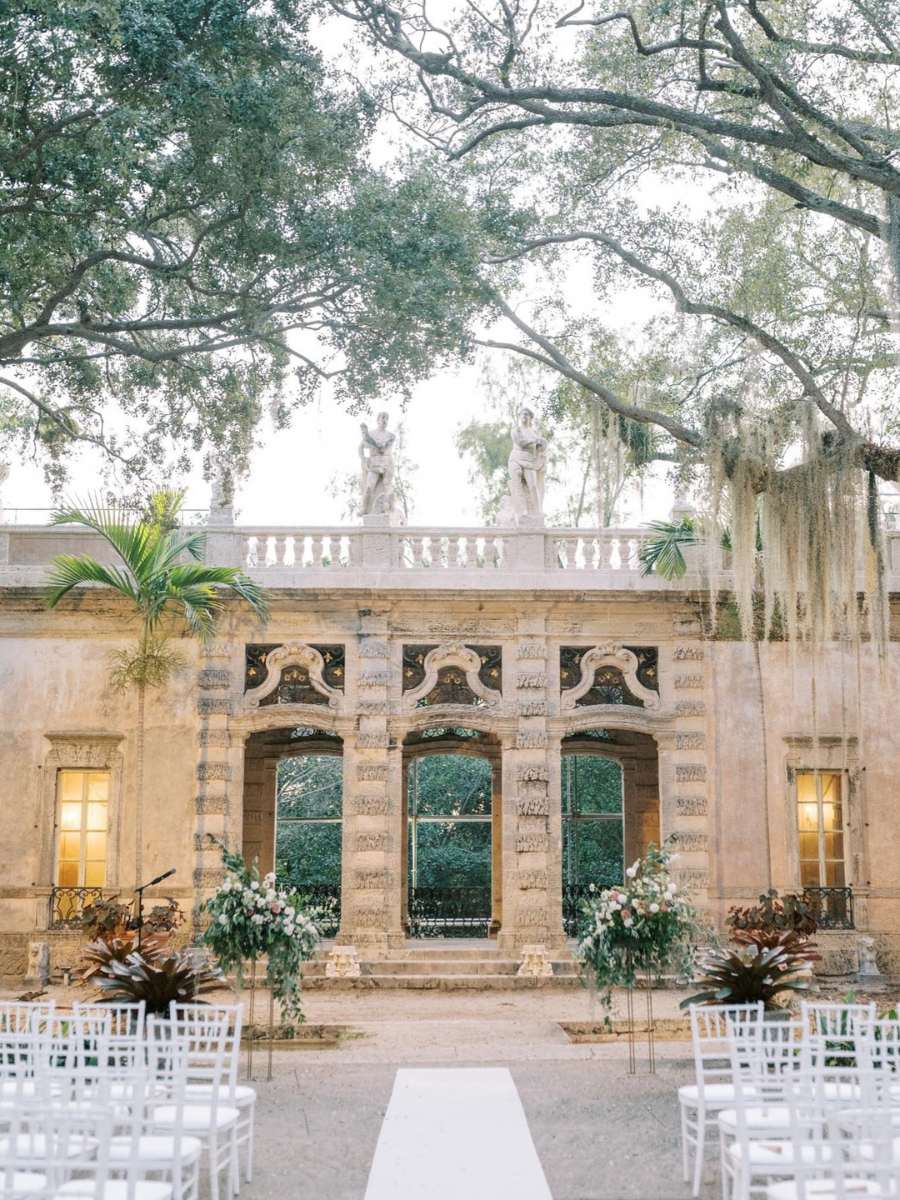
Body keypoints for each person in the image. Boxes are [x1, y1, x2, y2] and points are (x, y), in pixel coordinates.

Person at [507, 407, 546, 520]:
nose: (524, 416)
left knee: (533, 486)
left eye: (526, 414)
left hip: (529, 461)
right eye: (522, 414)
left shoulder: (534, 433)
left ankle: (538, 512)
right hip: (516, 458)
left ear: (530, 418)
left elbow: (542, 447)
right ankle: (521, 510)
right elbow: (521, 443)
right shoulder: (516, 430)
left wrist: (542, 445)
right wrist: (536, 441)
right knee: (516, 480)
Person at [359, 411, 396, 516]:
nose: (384, 421)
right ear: (378, 420)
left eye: (386, 419)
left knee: (387, 485)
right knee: (369, 486)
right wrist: (363, 459)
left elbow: (382, 448)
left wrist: (366, 436)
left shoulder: (391, 436)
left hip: (386, 462)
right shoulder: (371, 433)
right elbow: (360, 447)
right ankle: (364, 508)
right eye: (383, 418)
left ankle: (387, 508)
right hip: (374, 463)